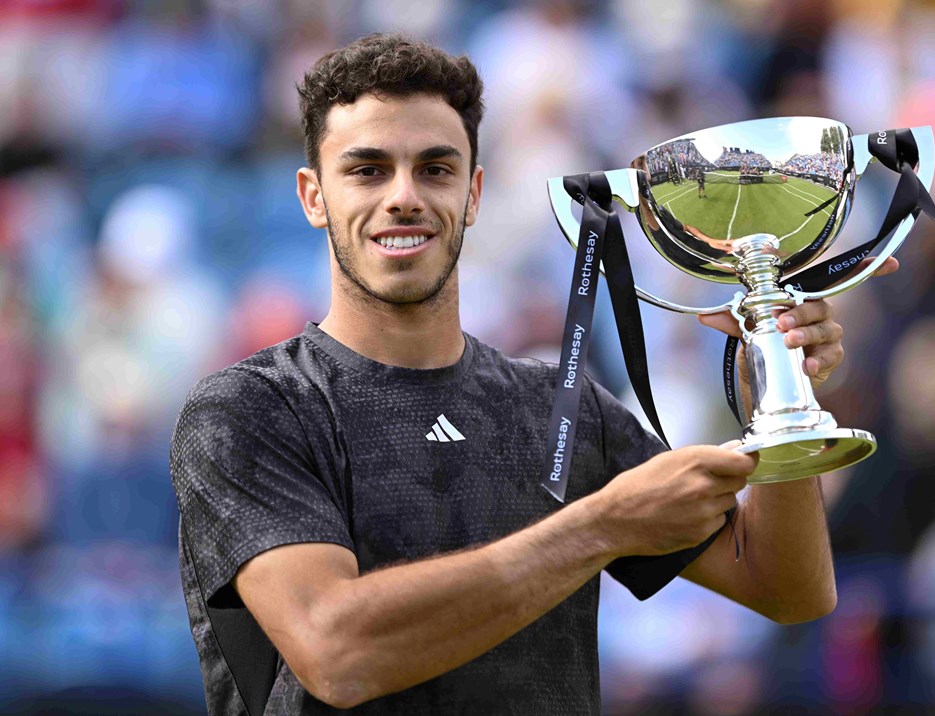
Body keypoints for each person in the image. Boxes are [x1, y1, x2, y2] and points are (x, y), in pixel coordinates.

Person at [170, 33, 897, 714]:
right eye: (367, 170)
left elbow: (788, 587)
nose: (403, 196)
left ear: (475, 194)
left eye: (435, 168)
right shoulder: (249, 408)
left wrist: (776, 397)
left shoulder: (558, 405)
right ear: (312, 196)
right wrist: (599, 527)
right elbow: (337, 652)